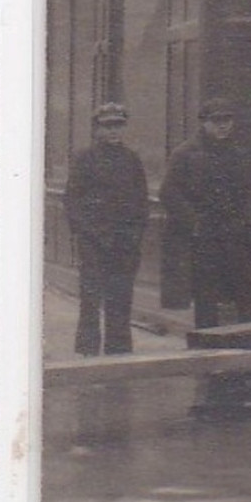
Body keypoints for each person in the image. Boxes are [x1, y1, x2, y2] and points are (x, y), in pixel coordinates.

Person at [159, 98, 251, 330]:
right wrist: (194, 222)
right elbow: (169, 193)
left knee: (247, 292)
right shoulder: (185, 154)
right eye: (216, 121)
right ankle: (205, 351)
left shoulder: (239, 154)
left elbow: (249, 191)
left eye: (227, 120)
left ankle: (250, 346)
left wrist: (244, 218)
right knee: (206, 297)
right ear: (203, 123)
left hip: (235, 234)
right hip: (203, 238)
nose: (223, 126)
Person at [65, 102, 150, 355]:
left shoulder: (132, 160)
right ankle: (88, 350)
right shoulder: (85, 159)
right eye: (108, 126)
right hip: (93, 242)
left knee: (121, 298)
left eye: (118, 125)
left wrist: (134, 235)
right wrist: (86, 233)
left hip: (124, 243)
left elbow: (141, 201)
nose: (114, 131)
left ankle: (119, 350)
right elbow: (72, 201)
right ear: (97, 129)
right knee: (91, 300)